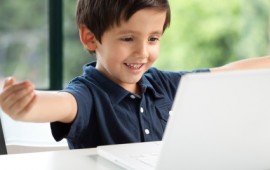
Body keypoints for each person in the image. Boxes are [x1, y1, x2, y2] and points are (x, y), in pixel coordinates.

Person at [0, 0, 269, 149]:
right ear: (90, 38)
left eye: (153, 39)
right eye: (128, 38)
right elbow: (61, 104)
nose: (143, 52)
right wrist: (25, 107)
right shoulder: (88, 93)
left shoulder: (162, 84)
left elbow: (225, 74)